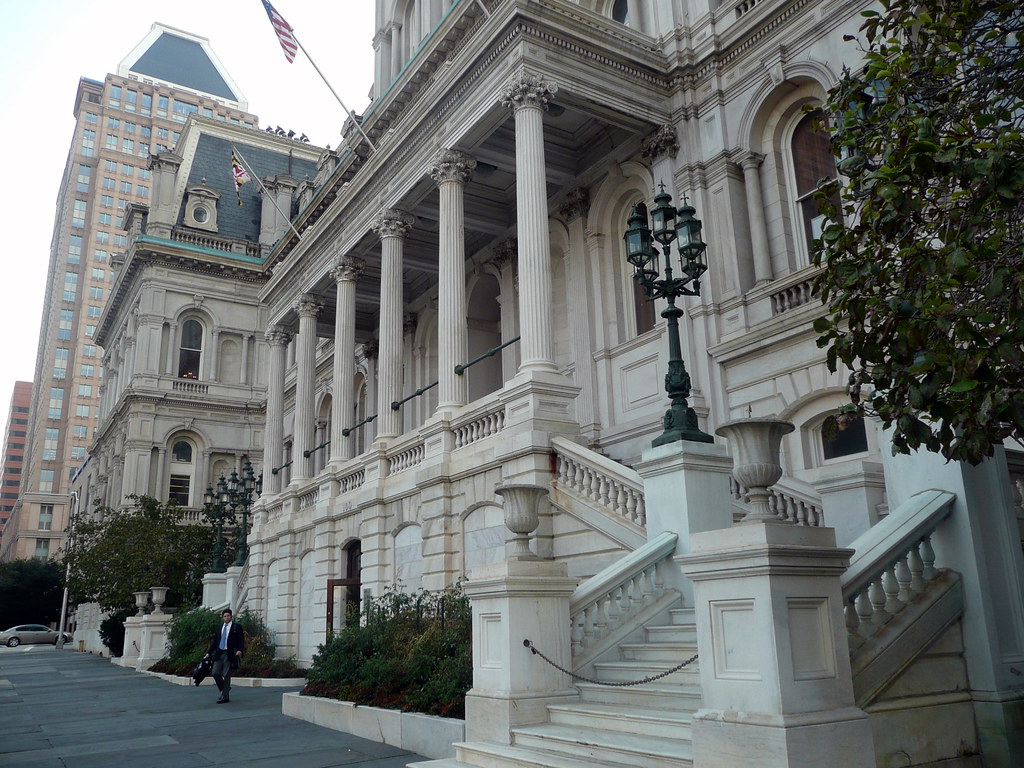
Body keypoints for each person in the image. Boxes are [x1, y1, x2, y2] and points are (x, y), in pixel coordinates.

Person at [204, 608, 244, 703]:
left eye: (228, 616)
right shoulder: (219, 628)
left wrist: (239, 650)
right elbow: (215, 642)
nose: (226, 618)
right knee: (215, 673)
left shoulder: (236, 627)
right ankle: (224, 688)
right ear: (222, 617)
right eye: (225, 616)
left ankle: (225, 697)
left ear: (231, 616)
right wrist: (208, 652)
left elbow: (241, 640)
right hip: (219, 652)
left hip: (229, 653)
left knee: (226, 675)